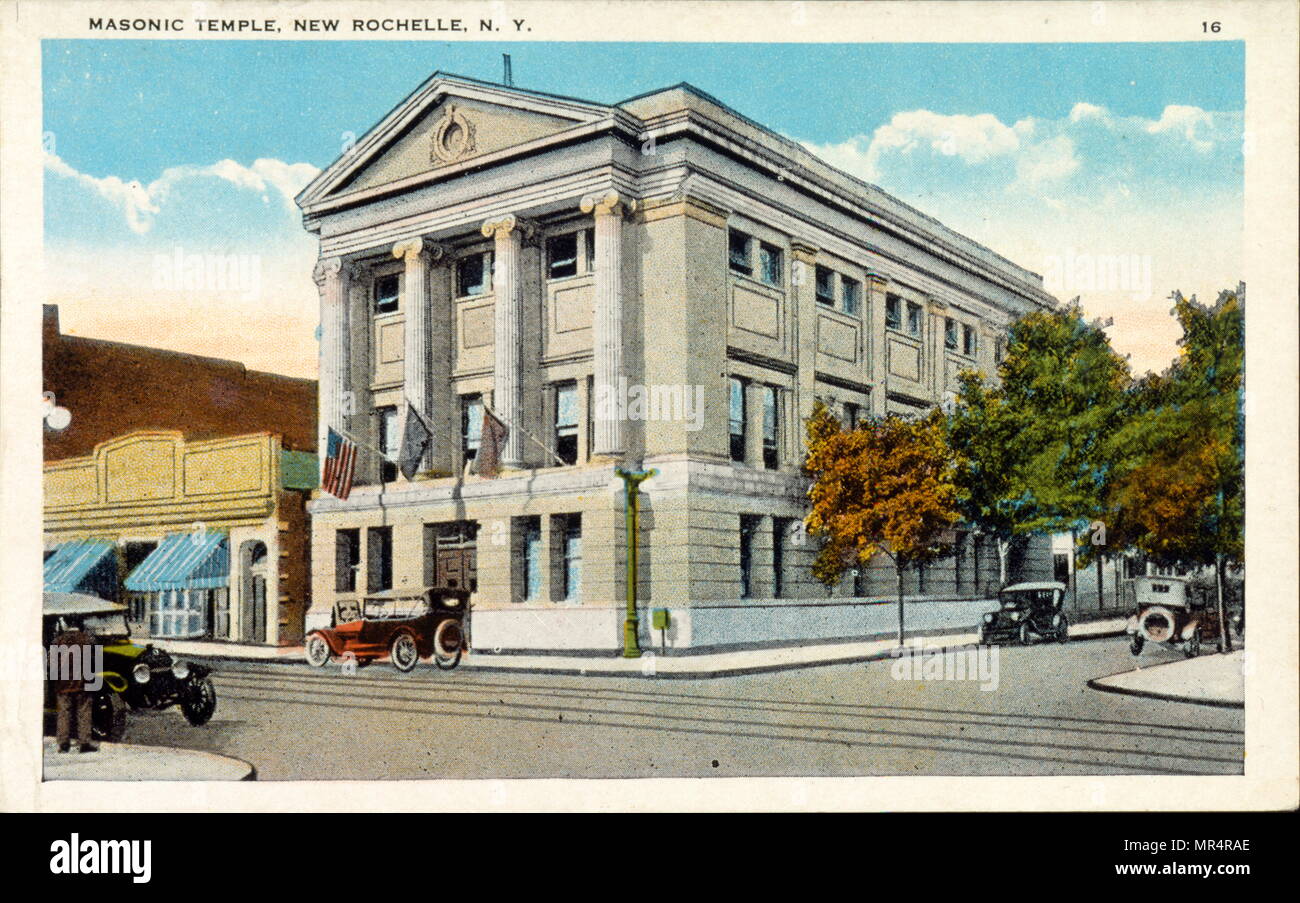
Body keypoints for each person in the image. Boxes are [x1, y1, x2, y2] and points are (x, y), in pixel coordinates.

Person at [52, 625, 98, 753]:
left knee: (63, 713)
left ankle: (63, 743)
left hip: (63, 683)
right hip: (82, 682)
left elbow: (51, 663)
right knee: (84, 712)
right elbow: (95, 659)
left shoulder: (58, 640)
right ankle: (84, 743)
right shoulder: (87, 640)